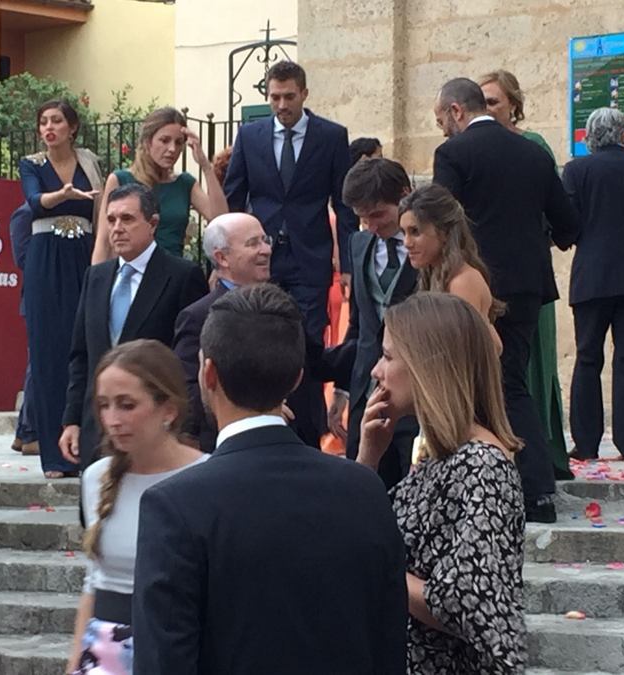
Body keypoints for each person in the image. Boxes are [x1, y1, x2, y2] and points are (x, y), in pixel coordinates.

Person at [132, 283, 407, 675]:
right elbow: (389, 644)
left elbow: (163, 662)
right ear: (297, 379)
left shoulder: (175, 506)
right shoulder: (364, 488)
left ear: (208, 373)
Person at [432, 77, 579, 523]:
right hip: (528, 287)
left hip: (472, 285)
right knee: (510, 379)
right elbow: (569, 225)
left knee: (474, 383)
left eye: (441, 120)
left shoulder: (453, 155)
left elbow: (440, 222)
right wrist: (531, 244)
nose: (441, 130)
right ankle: (533, 488)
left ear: (457, 111)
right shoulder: (533, 153)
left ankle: (516, 489)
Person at [358, 292, 526, 673]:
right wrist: (369, 458)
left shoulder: (482, 465)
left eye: (387, 356)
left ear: (426, 365)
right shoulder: (440, 457)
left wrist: (377, 570)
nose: (375, 371)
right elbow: (363, 530)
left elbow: (464, 600)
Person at [224, 60, 358, 447]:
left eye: (288, 96)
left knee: (305, 341)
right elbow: (235, 198)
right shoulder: (250, 136)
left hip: (309, 258)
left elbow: (344, 204)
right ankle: (263, 424)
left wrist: (346, 264)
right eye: (274, 97)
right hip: (260, 257)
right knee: (260, 333)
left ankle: (305, 432)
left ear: (304, 94)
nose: (281, 104)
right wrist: (225, 260)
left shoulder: (331, 136)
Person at [67, 339, 207, 674]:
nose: (112, 419)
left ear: (168, 409)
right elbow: (95, 580)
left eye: (127, 405)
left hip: (181, 649)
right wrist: (75, 661)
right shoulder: (97, 478)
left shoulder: (206, 477)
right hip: (106, 653)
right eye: (104, 405)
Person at [60, 183, 208, 470]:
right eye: (111, 220)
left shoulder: (181, 276)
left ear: (152, 223)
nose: (117, 228)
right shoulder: (96, 277)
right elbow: (81, 356)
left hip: (156, 434)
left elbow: (189, 361)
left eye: (127, 219)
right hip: (98, 435)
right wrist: (72, 420)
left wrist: (187, 429)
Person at [479, 69, 571, 479]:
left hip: (525, 277)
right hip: (488, 280)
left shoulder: (533, 147)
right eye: (483, 102)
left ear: (514, 105)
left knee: (525, 366)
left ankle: (540, 455)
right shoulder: (473, 149)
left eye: (495, 102)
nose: (489, 110)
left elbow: (555, 212)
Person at [19, 100, 104, 477]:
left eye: (56, 121)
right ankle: (53, 455)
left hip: (83, 252)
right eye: (43, 121)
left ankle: (86, 447)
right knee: (47, 349)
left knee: (82, 346)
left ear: (72, 127)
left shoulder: (90, 162)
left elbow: (101, 210)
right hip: (45, 256)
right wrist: (63, 195)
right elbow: (35, 203)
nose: (48, 127)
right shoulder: (32, 164)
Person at [321, 158, 419, 488]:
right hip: (367, 387)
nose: (371, 225)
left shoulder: (427, 248)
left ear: (404, 196)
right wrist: (343, 390)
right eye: (363, 218)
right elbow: (360, 325)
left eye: (378, 214)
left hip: (415, 391)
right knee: (363, 483)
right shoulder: (359, 243)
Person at [562, 107, 624, 460]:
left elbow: (568, 224)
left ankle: (587, 442)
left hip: (591, 276)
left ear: (590, 135)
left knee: (587, 357)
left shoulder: (577, 170)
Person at [172, 213, 272, 452]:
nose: (266, 250)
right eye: (253, 243)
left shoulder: (281, 305)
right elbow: (188, 389)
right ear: (222, 258)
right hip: (226, 447)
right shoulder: (198, 316)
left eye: (265, 240)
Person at [92, 107, 227, 262]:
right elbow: (103, 241)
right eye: (164, 140)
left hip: (174, 274)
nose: (172, 149)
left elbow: (221, 221)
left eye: (179, 143)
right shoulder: (120, 179)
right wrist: (96, 282)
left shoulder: (184, 183)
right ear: (147, 141)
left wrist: (205, 165)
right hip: (132, 273)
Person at [397, 183, 503, 352]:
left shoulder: (462, 282)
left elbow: (466, 353)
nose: (406, 243)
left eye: (415, 232)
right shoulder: (435, 274)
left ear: (444, 232)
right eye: (404, 233)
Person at [8, 202, 39, 456]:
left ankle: (22, 431)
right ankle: (29, 431)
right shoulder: (27, 212)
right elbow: (23, 258)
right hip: (39, 297)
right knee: (38, 362)